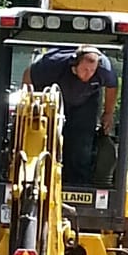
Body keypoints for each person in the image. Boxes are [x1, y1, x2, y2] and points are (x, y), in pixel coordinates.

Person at [22, 45, 117, 183]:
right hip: (51, 99)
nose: (88, 74)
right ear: (74, 64)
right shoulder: (53, 64)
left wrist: (108, 113)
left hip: (85, 102)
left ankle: (78, 183)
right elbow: (28, 75)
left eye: (92, 70)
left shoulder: (104, 69)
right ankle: (39, 177)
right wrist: (29, 105)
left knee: (81, 145)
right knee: (43, 138)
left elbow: (112, 87)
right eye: (85, 69)